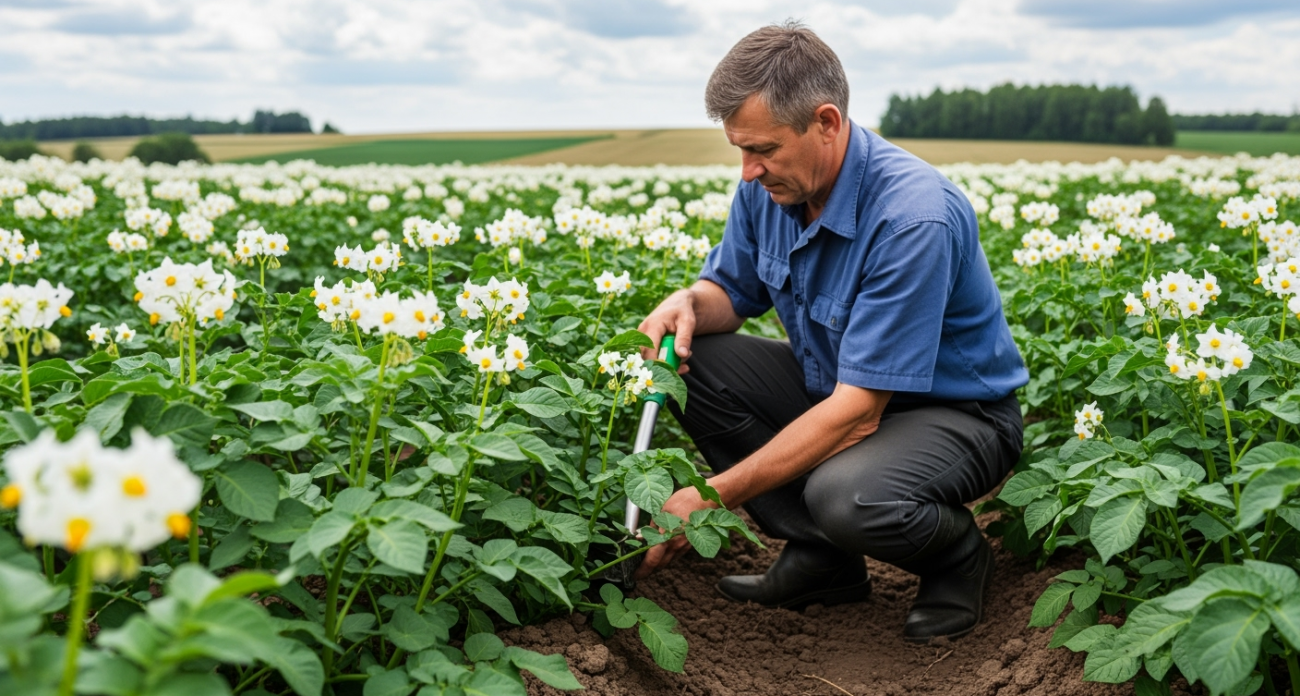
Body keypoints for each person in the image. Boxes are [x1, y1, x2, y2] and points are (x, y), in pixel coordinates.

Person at [632, 21, 1029, 642]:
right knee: (694, 359)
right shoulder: (771, 189)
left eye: (762, 149)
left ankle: (955, 557)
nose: (747, 171)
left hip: (955, 414)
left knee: (847, 495)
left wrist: (713, 494)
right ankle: (823, 559)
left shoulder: (911, 218)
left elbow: (857, 415)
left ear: (826, 122)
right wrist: (686, 303)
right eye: (739, 149)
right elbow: (729, 296)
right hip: (837, 389)